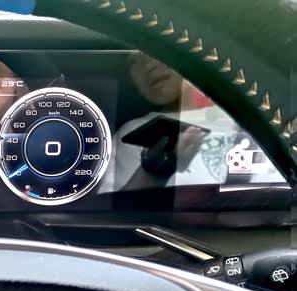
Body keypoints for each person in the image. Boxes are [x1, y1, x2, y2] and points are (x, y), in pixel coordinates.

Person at [98, 52, 282, 192]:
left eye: (155, 50)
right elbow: (119, 216)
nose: (148, 65)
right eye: (133, 61)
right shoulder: (134, 133)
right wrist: (156, 169)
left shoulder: (255, 118)